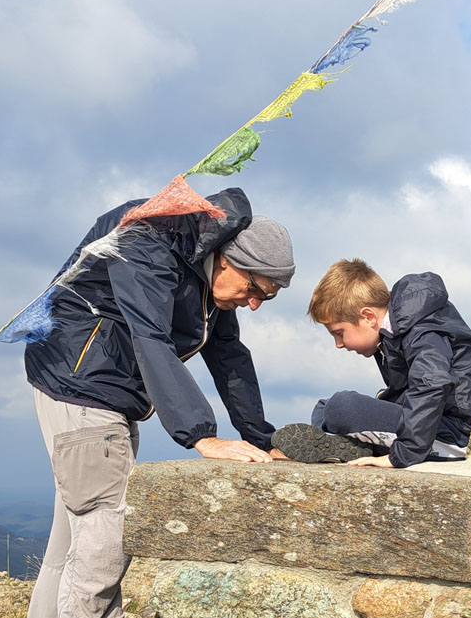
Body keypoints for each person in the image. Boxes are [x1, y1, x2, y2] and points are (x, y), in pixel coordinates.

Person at [24, 185, 294, 618]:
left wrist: (260, 438)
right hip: (81, 383)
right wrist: (203, 437)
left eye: (269, 296)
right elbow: (149, 336)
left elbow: (228, 356)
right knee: (106, 538)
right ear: (227, 259)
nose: (256, 304)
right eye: (254, 288)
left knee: (74, 539)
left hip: (105, 388)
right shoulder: (151, 241)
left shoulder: (203, 267)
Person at [271, 258, 471, 469]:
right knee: (323, 406)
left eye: (339, 333)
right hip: (434, 422)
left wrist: (404, 453)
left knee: (341, 406)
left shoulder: (421, 327)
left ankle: (356, 443)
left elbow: (433, 383)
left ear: (368, 316)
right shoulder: (394, 330)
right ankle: (339, 443)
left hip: (455, 433)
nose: (338, 344)